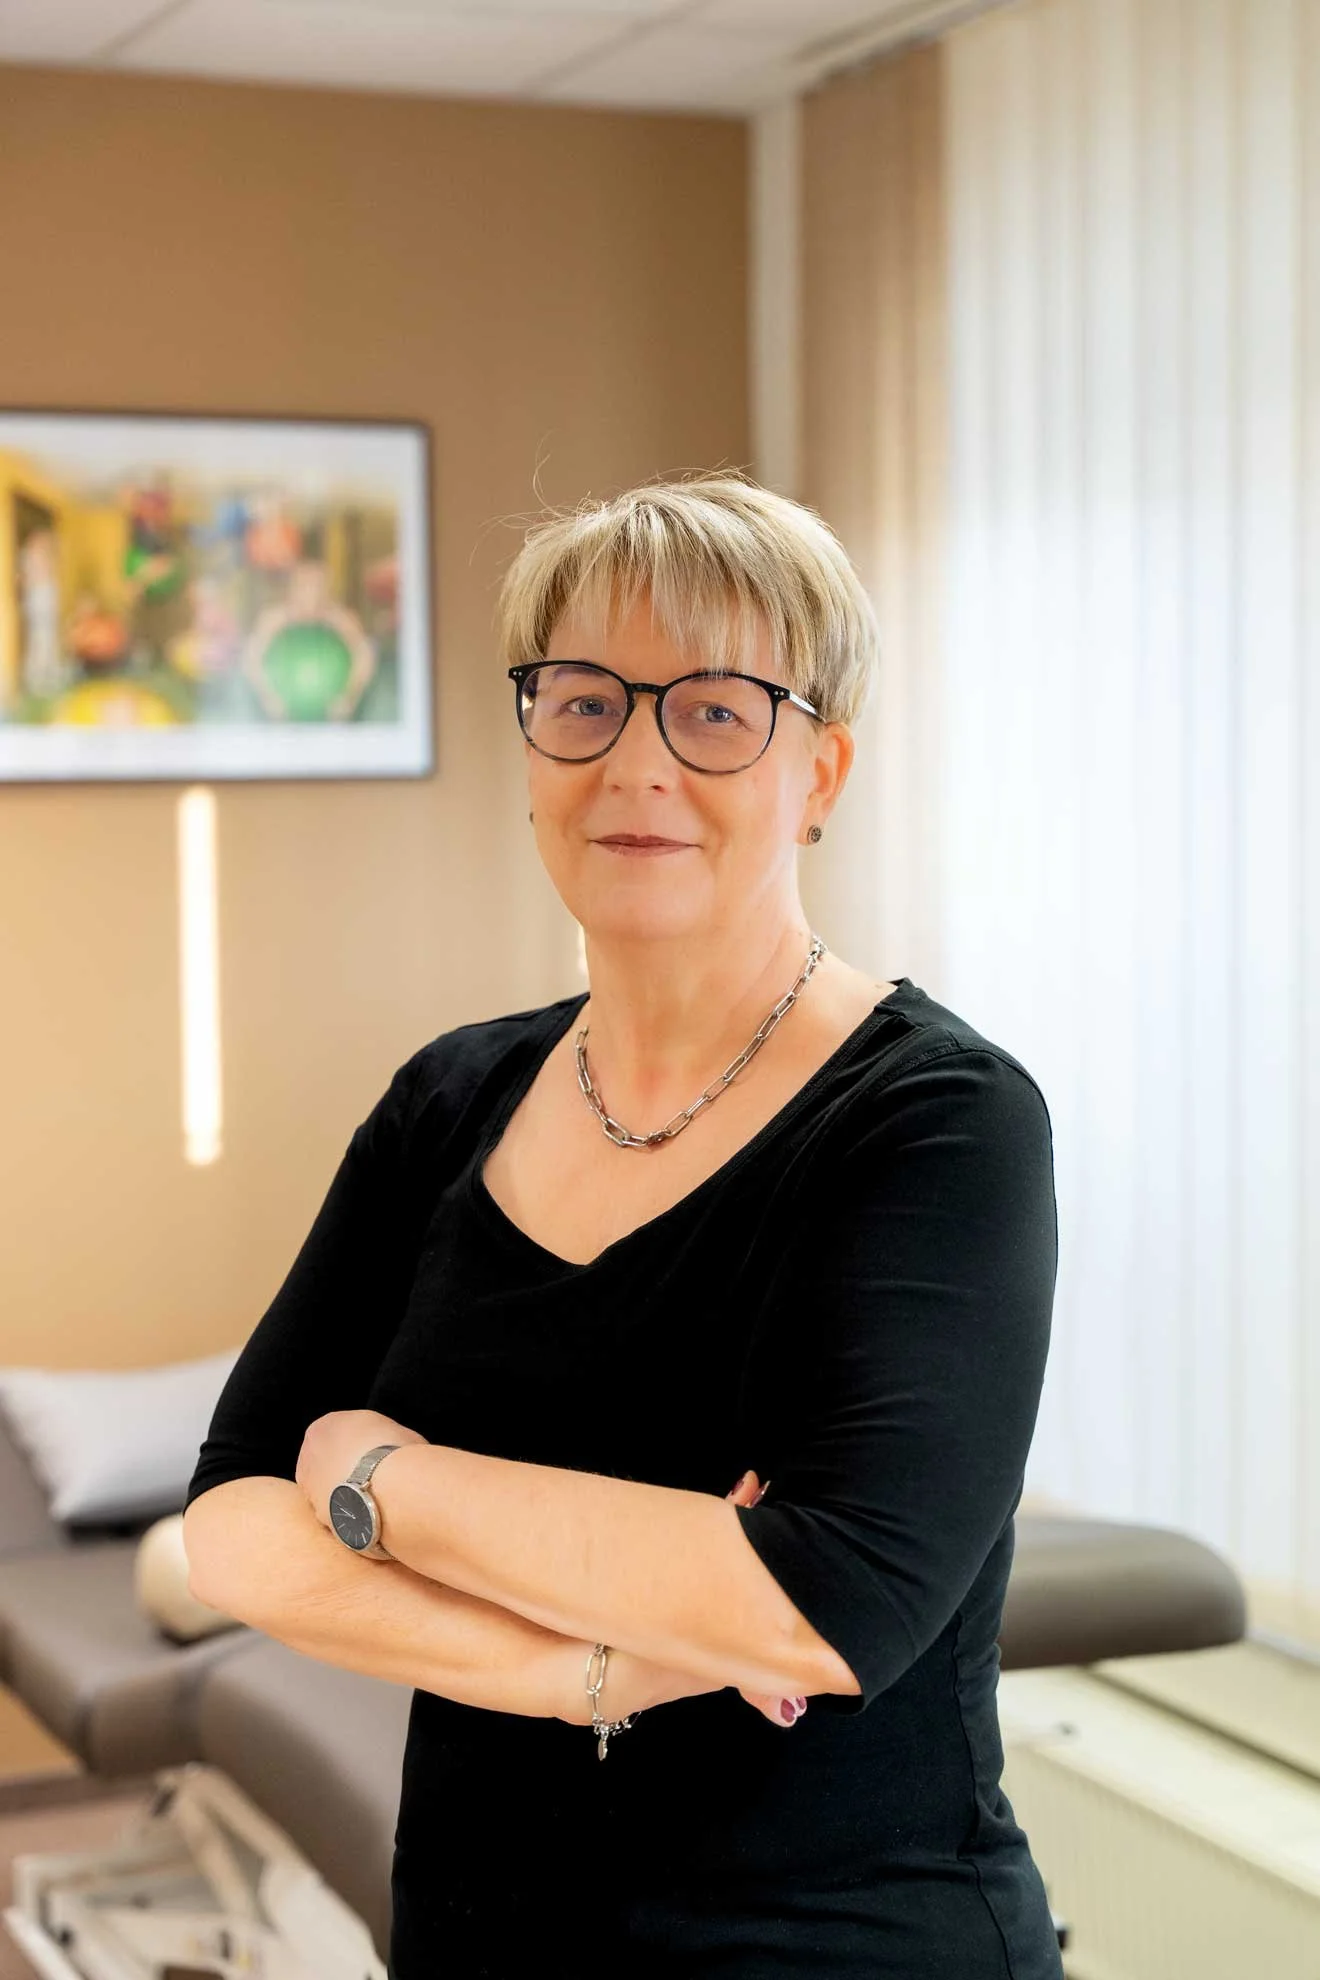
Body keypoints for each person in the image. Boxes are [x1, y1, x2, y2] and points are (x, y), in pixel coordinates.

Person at [181, 472, 1064, 1980]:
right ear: (532, 751)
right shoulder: (449, 1099)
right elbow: (230, 1526)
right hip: (477, 1924)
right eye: (583, 702)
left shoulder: (937, 1121)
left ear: (823, 771)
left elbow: (827, 1601)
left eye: (716, 709)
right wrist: (585, 1671)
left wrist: (384, 1481)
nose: (636, 763)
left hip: (835, 1943)